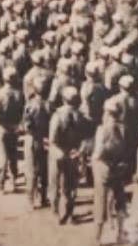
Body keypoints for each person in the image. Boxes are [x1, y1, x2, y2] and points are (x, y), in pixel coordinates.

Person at [92, 98, 128, 246]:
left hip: (104, 167)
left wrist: (93, 158)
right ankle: (120, 233)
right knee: (120, 200)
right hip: (118, 167)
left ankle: (97, 238)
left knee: (100, 200)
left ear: (106, 113)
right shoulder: (123, 128)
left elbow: (99, 151)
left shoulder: (102, 129)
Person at [48, 86, 85, 224]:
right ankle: (70, 214)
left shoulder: (57, 115)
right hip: (73, 152)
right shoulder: (80, 116)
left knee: (55, 183)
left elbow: (53, 138)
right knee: (70, 186)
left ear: (63, 99)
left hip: (58, 152)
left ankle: (55, 212)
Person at [0, 66, 25, 193]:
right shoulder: (19, 94)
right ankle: (13, 180)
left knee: (2, 155)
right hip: (14, 127)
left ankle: (1, 182)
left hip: (1, 127)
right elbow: (22, 112)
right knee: (13, 154)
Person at [23, 75, 51, 209]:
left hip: (33, 138)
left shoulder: (31, 104)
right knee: (44, 170)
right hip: (46, 140)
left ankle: (31, 199)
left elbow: (27, 124)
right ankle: (43, 197)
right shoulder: (50, 105)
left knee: (31, 170)